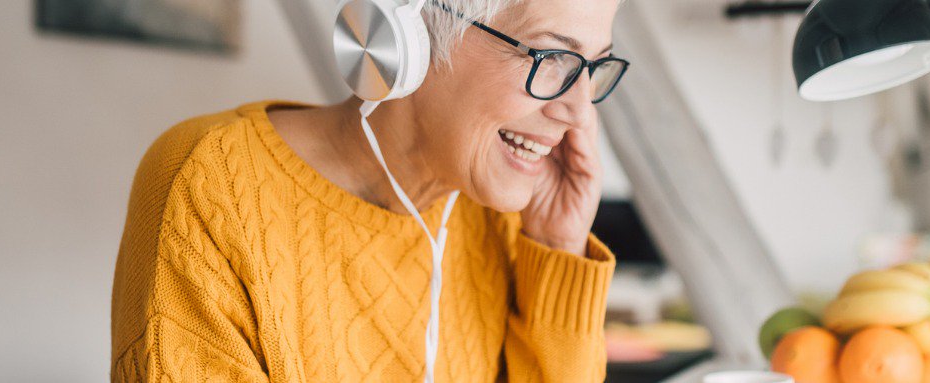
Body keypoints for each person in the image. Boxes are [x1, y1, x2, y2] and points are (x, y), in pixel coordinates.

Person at [110, 0, 630, 381]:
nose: (579, 112)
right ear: (415, 35)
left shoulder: (510, 213)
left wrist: (558, 249)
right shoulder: (213, 182)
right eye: (549, 57)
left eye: (592, 67)